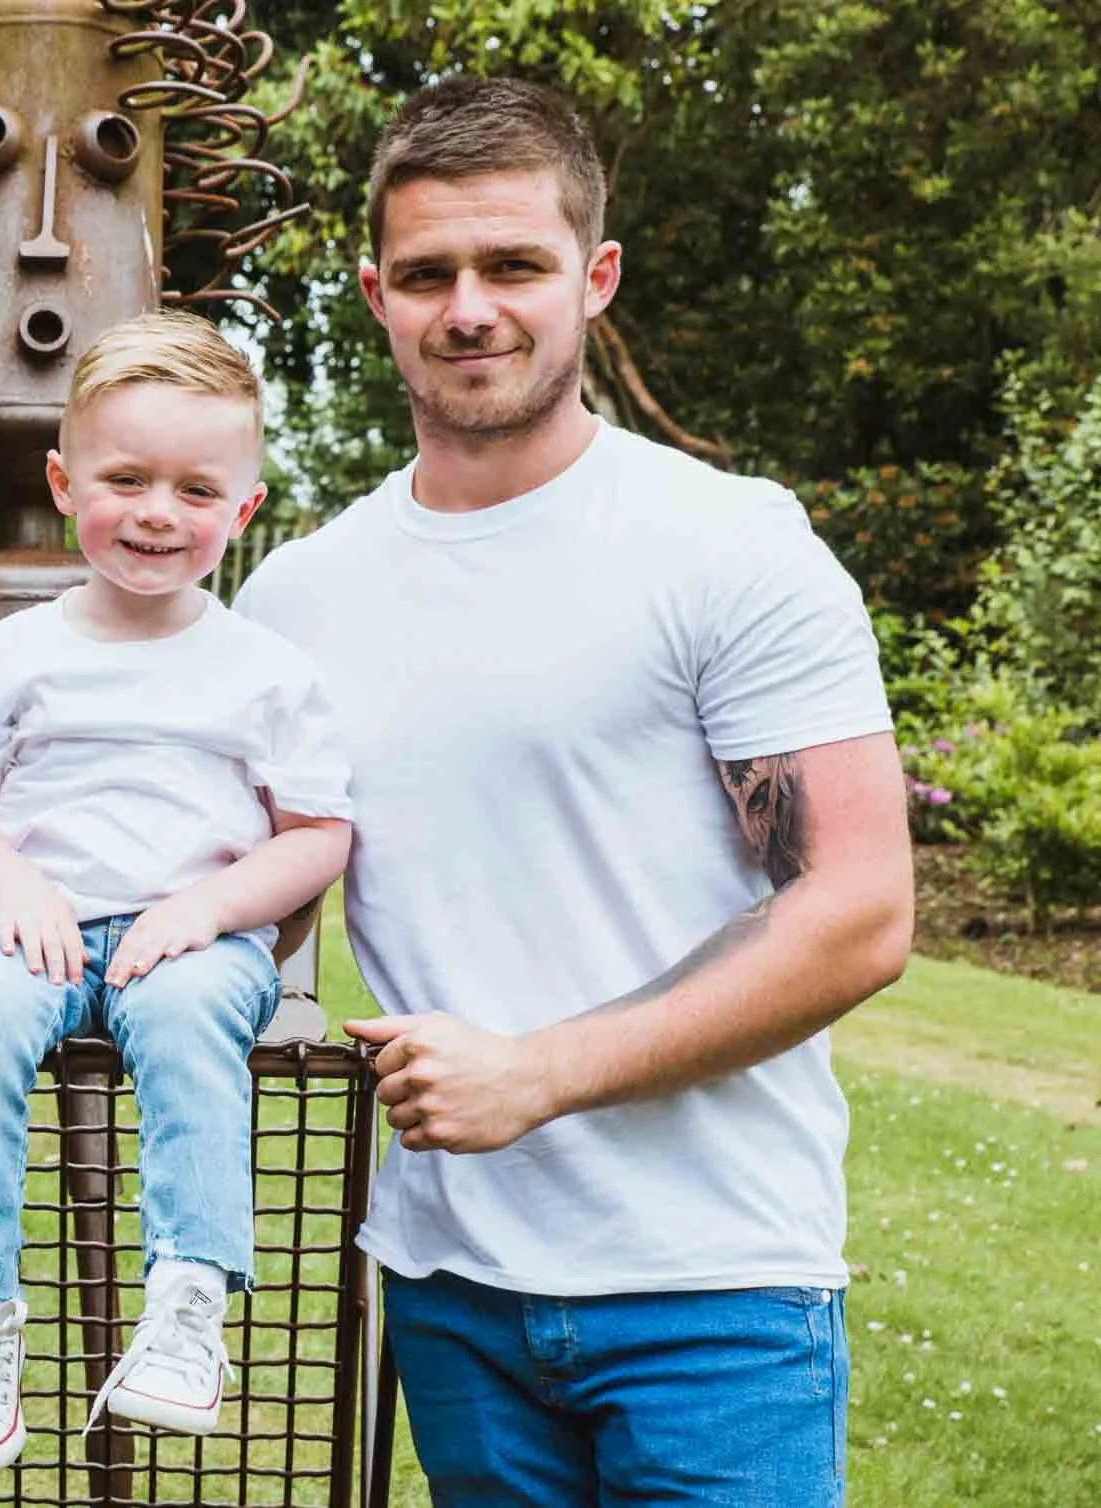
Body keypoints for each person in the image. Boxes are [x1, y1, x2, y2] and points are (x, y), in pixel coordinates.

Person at [230, 78, 915, 1506]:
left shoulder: (728, 546)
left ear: (594, 277)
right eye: (428, 274)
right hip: (451, 1288)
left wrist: (539, 1073)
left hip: (711, 1288)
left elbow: (857, 910)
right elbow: (233, 886)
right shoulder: (299, 597)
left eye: (513, 266)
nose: (469, 308)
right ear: (376, 294)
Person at [0, 311, 353, 1476]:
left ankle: (189, 1303)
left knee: (193, 1021)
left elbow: (316, 836)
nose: (158, 510)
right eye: (126, 477)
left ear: (241, 509)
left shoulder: (264, 670)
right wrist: (11, 881)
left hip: (190, 939)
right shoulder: (14, 652)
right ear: (63, 480)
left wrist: (207, 910)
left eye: (197, 488)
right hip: (27, 926)